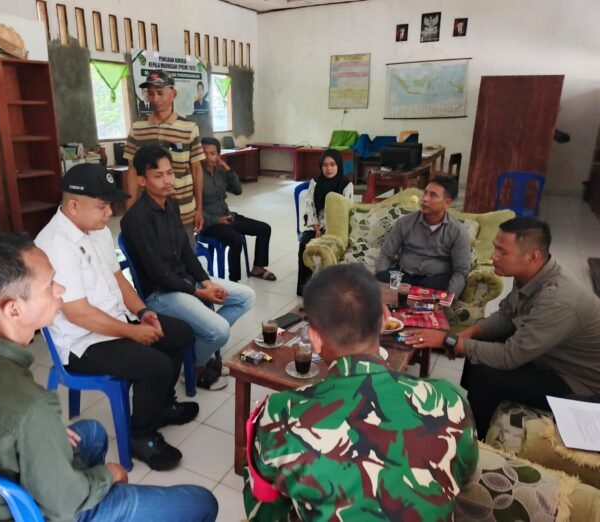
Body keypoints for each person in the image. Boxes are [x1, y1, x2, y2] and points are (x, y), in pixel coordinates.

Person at [0, 233, 218, 521]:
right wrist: (109, 475)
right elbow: (66, 502)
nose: (61, 291)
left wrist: (36, 435)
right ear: (13, 309)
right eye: (49, 285)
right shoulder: (32, 407)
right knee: (202, 502)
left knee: (92, 432)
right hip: (31, 511)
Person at [244, 263, 478, 521]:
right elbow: (465, 479)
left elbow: (264, 510)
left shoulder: (281, 414)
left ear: (315, 338)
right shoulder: (449, 400)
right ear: (384, 318)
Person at [35, 163, 198, 471]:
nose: (109, 213)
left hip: (115, 321)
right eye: (102, 206)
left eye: (109, 205)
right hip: (83, 342)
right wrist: (133, 332)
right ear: (74, 205)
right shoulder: (55, 244)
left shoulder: (97, 230)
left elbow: (118, 278)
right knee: (156, 364)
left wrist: (143, 312)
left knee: (179, 333)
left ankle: (160, 406)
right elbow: (78, 314)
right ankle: (141, 436)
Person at [405, 217, 600, 437]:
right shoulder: (531, 273)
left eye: (502, 252)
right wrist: (469, 333)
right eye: (495, 248)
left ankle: (478, 440)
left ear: (533, 256)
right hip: (548, 356)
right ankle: (476, 411)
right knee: (478, 345)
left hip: (578, 383)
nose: (493, 256)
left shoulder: (557, 299)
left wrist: (448, 340)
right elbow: (506, 315)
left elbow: (510, 356)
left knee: (486, 376)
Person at [121, 146, 255, 391]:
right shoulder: (137, 219)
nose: (167, 180)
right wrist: (198, 293)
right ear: (142, 180)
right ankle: (193, 366)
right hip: (161, 293)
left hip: (184, 281)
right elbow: (158, 273)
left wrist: (206, 282)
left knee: (246, 297)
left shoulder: (171, 204)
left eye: (170, 173)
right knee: (219, 330)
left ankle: (199, 345)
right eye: (158, 175)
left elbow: (185, 250)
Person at [123, 69, 205, 245]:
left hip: (183, 209)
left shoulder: (189, 128)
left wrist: (199, 208)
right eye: (150, 93)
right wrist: (130, 209)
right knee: (153, 256)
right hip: (149, 211)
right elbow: (132, 171)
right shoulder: (138, 129)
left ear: (173, 94)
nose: (155, 98)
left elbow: (197, 170)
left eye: (160, 93)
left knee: (186, 254)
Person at [375, 176, 471, 296]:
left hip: (434, 280)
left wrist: (447, 297)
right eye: (425, 193)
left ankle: (416, 299)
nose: (425, 199)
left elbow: (461, 271)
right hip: (404, 276)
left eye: (433, 195)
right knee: (380, 279)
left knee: (433, 288)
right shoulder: (404, 223)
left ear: (447, 203)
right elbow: (386, 254)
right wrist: (382, 277)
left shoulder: (458, 232)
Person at [199, 137, 276, 282]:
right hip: (209, 223)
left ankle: (258, 268)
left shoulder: (221, 171)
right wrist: (216, 220)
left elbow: (238, 190)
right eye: (204, 153)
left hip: (228, 216)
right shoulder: (196, 175)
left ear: (218, 155)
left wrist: (228, 170)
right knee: (235, 239)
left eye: (212, 153)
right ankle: (234, 280)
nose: (208, 157)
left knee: (264, 228)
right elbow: (194, 208)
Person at [297, 148, 353, 296]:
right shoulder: (315, 183)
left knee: (338, 248)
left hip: (337, 228)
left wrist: (330, 232)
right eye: (325, 165)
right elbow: (310, 208)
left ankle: (331, 287)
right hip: (316, 226)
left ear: (339, 165)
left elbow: (347, 212)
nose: (329, 168)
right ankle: (305, 288)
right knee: (304, 244)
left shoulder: (346, 185)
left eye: (332, 164)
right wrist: (317, 230)